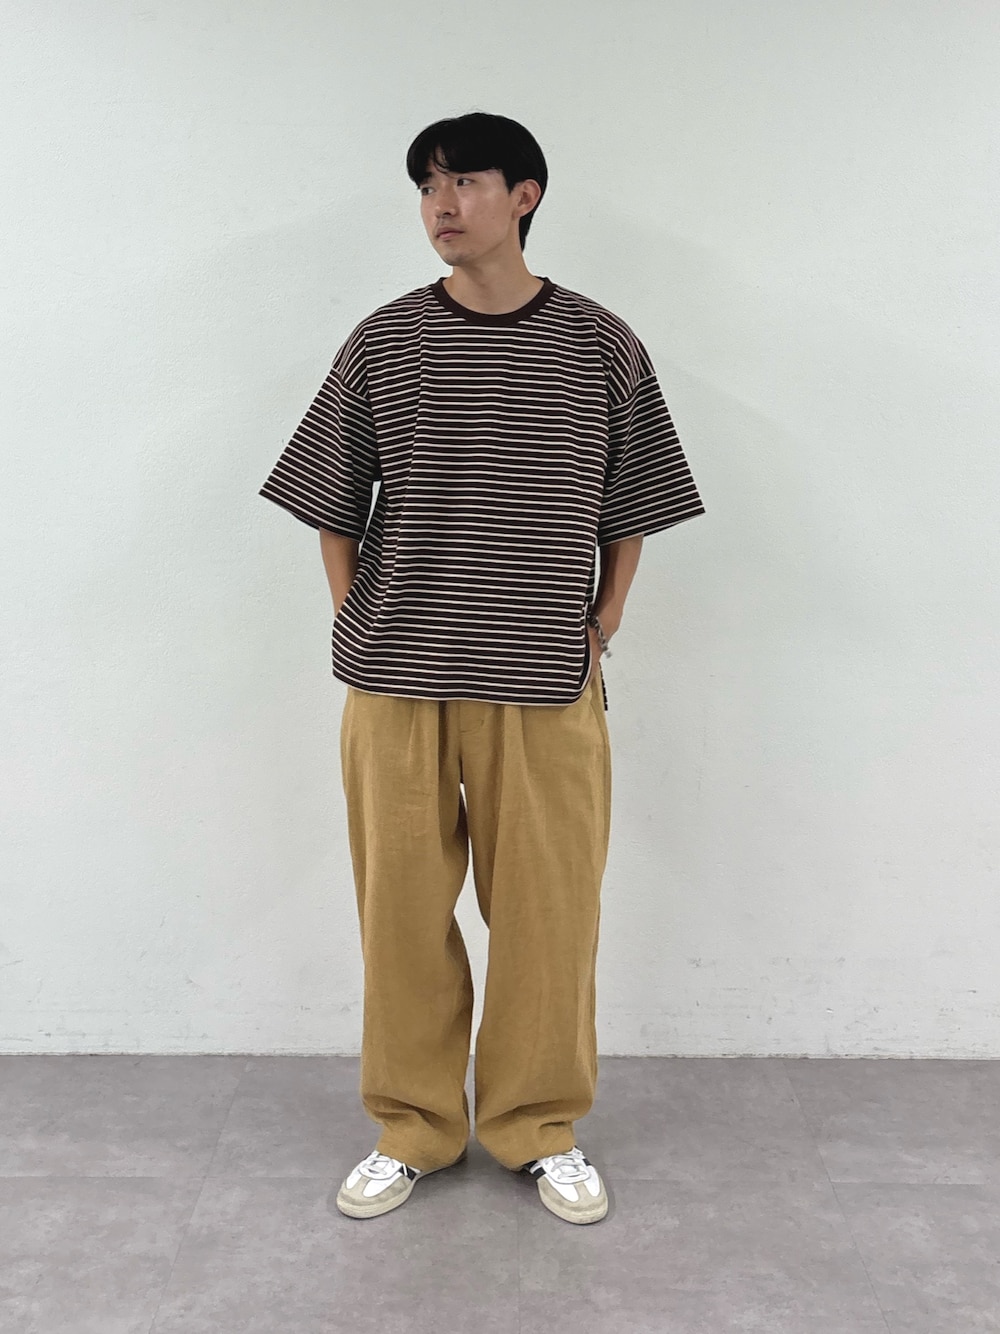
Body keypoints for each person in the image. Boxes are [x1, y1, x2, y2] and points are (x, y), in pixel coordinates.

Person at [258, 111, 706, 1225]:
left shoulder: (599, 343)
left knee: (549, 919)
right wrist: (356, 619)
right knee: (401, 917)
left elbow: (634, 498)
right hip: (396, 682)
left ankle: (538, 1127)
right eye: (427, 186)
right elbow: (332, 498)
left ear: (525, 196)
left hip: (545, 683)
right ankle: (411, 1126)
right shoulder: (385, 340)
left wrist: (604, 618)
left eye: (463, 181)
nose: (441, 205)